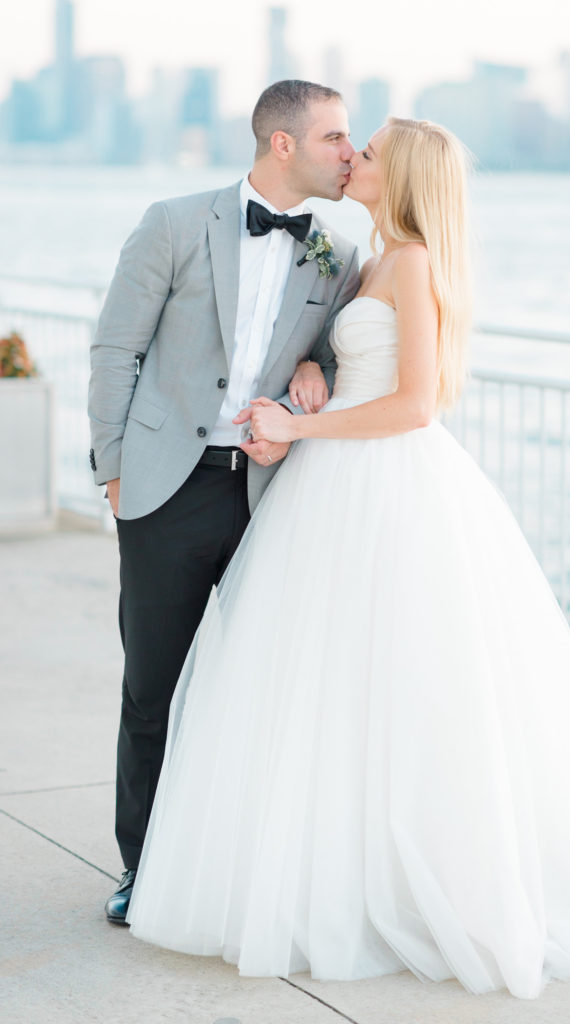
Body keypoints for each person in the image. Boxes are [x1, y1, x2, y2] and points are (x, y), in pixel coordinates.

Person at [126, 118, 570, 998]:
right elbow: (340, 355)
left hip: (389, 486)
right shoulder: (365, 257)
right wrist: (311, 376)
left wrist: (298, 423)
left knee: (411, 694)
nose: (356, 158)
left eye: (373, 151)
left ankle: (412, 881)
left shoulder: (416, 262)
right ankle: (343, 871)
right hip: (332, 488)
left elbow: (415, 406)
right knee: (333, 694)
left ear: (406, 177)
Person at [88, 80, 360, 925]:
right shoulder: (174, 221)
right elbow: (115, 348)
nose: (349, 154)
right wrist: (114, 470)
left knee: (255, 688)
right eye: (335, 138)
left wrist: (323, 371)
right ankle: (144, 870)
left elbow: (341, 359)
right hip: (166, 487)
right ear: (283, 144)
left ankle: (235, 870)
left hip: (271, 494)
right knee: (151, 689)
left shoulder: (340, 256)